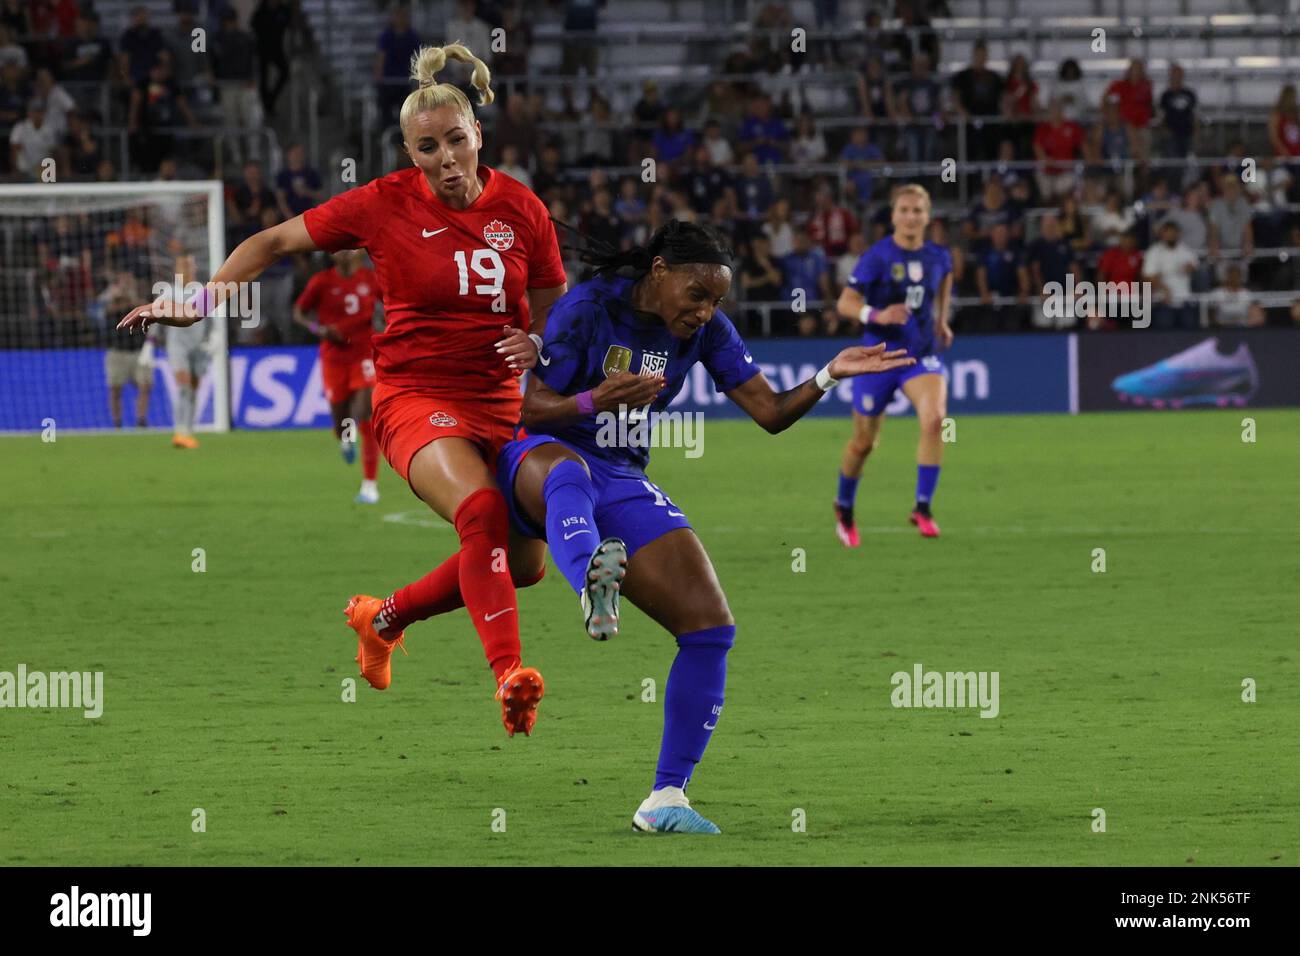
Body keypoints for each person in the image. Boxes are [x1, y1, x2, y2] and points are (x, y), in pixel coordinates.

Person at [117, 43, 569, 737]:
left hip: (501, 402)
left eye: (456, 140)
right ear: (409, 151)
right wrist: (201, 304)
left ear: (479, 132)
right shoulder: (382, 203)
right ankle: (509, 675)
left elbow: (549, 296)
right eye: (427, 147)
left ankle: (382, 618)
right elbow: (268, 243)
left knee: (527, 563)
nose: (445, 158)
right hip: (416, 397)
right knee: (480, 512)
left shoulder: (523, 209)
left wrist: (536, 341)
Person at [492, 220, 913, 833]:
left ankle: (666, 798)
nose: (706, 311)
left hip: (621, 475)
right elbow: (525, 406)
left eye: (717, 300)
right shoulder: (587, 307)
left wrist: (828, 375)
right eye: (698, 295)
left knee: (711, 627)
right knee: (570, 476)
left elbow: (769, 413)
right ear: (659, 272)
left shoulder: (708, 331)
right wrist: (594, 401)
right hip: (538, 458)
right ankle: (591, 580)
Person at [833, 184, 953, 545]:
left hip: (919, 353)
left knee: (935, 420)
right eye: (904, 210)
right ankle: (845, 506)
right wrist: (879, 313)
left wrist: (942, 320)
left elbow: (943, 284)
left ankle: (922, 507)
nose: (911, 216)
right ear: (893, 216)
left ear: (927, 216)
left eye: (918, 210)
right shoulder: (877, 256)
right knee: (864, 443)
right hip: (878, 357)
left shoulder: (939, 257)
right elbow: (845, 303)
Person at [293, 249, 384, 503]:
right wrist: (318, 329)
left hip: (364, 352)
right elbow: (298, 313)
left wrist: (383, 321)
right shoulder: (321, 282)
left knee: (367, 410)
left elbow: (391, 303)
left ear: (357, 253)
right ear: (333, 255)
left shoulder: (371, 278)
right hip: (334, 358)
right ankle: (346, 435)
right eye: (340, 248)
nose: (345, 252)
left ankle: (370, 485)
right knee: (339, 423)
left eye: (350, 247)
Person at [162, 252, 215, 448]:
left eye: (188, 265)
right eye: (181, 265)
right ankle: (180, 431)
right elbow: (155, 321)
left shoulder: (202, 291)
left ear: (194, 268)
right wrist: (149, 345)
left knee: (193, 389)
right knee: (183, 386)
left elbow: (212, 320)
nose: (185, 269)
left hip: (198, 346)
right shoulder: (169, 292)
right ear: (177, 269)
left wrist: (213, 339)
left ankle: (189, 430)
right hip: (177, 345)